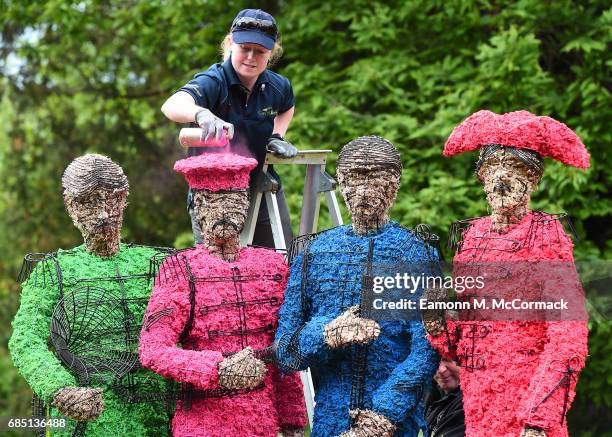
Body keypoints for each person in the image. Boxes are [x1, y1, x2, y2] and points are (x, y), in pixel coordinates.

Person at [426, 110, 590, 437]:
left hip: (528, 414)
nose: (502, 179)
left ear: (533, 180)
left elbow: (568, 337)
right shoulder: (472, 239)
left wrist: (541, 419)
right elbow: (464, 341)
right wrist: (438, 320)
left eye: (514, 169)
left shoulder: (547, 234)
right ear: (482, 177)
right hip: (479, 410)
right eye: (493, 169)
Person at [274, 136, 440, 437]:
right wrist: (326, 333)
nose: (363, 190)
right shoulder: (313, 252)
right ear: (340, 181)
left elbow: (426, 351)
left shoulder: (416, 252)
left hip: (393, 425)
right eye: (352, 178)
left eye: (375, 178)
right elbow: (285, 352)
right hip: (330, 421)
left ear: (394, 185)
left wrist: (382, 417)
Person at [138, 152, 307, 436]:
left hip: (262, 424)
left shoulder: (273, 266)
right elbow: (152, 349)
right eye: (215, 200)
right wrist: (217, 369)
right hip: (202, 424)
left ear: (246, 201)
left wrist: (293, 421)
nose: (225, 211)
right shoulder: (178, 269)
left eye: (234, 198)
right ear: (199, 207)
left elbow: (284, 350)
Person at [9, 154, 169, 436]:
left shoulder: (157, 263)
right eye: (89, 202)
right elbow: (26, 339)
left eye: (112, 199)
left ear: (124, 199)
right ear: (71, 206)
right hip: (86, 422)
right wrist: (60, 388)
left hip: (155, 418)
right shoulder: (53, 271)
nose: (104, 214)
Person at [161, 8, 297, 248]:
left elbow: (287, 106)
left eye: (260, 52)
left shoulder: (277, 86)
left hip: (262, 189)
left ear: (271, 53)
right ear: (230, 43)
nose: (251, 58)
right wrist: (200, 113)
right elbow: (171, 105)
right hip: (214, 197)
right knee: (217, 274)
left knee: (281, 260)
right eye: (245, 49)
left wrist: (277, 135)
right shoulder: (214, 81)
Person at [425, 358, 465, 437]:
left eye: (449, 359)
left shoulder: (468, 404)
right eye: (436, 360)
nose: (441, 370)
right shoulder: (427, 392)